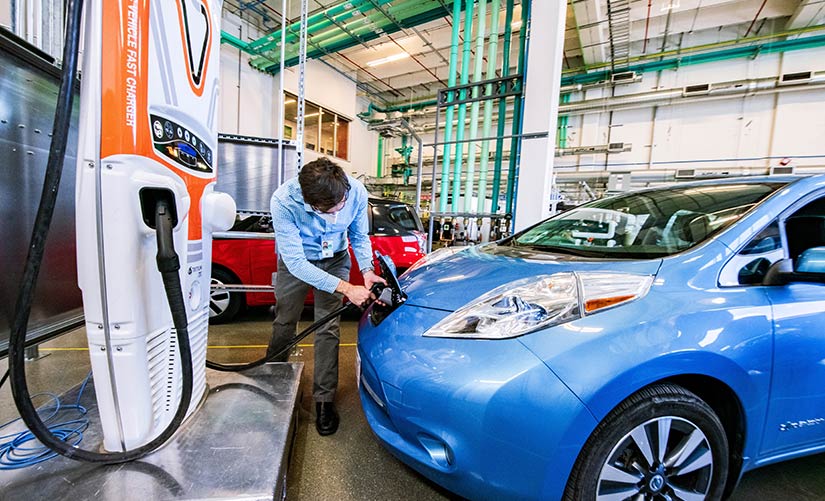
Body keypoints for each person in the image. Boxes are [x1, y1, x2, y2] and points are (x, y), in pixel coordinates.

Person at [268, 157, 385, 436]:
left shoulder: (355, 191)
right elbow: (296, 264)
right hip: (296, 263)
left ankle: (324, 400)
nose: (338, 212)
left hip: (335, 259)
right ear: (312, 204)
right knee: (285, 319)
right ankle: (271, 380)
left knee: (328, 328)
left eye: (341, 203)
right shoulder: (284, 201)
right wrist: (347, 289)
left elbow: (359, 236)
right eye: (331, 209)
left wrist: (367, 270)